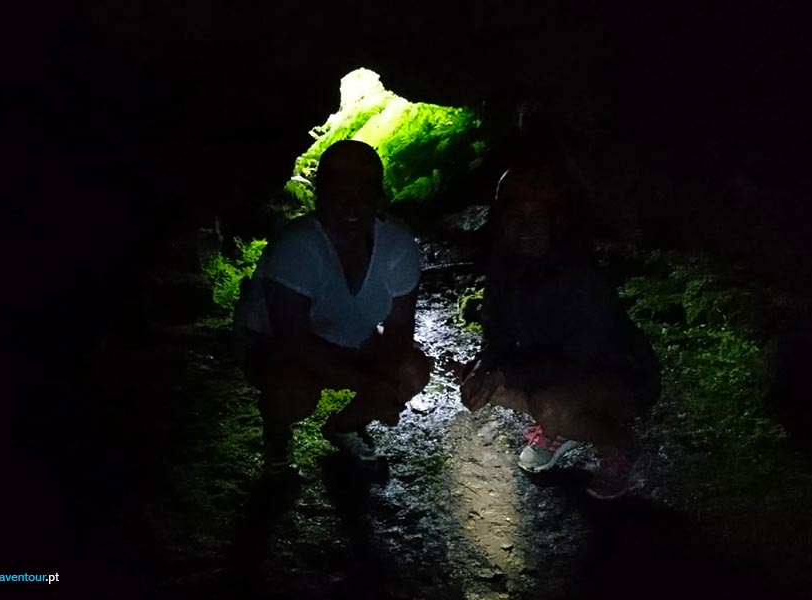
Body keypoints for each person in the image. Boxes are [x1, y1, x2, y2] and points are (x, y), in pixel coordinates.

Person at [460, 155, 661, 499]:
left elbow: (581, 358)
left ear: (555, 220)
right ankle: (565, 427)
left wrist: (505, 372)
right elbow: (497, 333)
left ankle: (615, 441)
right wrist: (482, 368)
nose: (526, 228)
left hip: (620, 376)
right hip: (557, 368)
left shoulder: (579, 273)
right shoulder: (505, 264)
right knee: (480, 383)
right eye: (516, 216)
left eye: (537, 216)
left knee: (551, 406)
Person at [234, 140, 431, 478]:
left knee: (410, 371)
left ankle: (344, 427)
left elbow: (400, 325)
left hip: (349, 339)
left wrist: (383, 382)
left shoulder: (397, 244)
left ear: (377, 197)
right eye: (340, 194)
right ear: (320, 195)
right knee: (293, 393)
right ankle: (277, 434)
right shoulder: (297, 246)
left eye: (362, 194)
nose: (350, 206)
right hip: (273, 344)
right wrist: (368, 385)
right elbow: (292, 339)